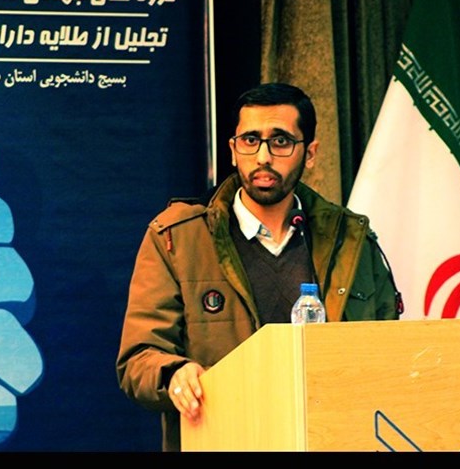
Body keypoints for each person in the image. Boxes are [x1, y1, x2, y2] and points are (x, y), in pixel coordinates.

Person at [115, 82, 402, 451]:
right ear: (233, 151)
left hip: (332, 438)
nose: (263, 156)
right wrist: (175, 374)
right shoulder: (177, 238)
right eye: (250, 140)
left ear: (310, 153)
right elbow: (138, 359)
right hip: (225, 439)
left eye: (280, 141)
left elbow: (389, 354)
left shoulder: (351, 239)